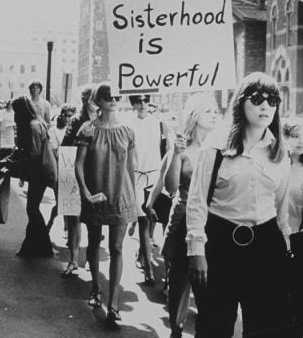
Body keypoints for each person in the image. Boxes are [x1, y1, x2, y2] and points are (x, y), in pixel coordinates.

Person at [186, 72, 294, 337]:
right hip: (222, 243)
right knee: (215, 324)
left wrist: (285, 246)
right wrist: (196, 250)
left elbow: (281, 208)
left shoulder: (279, 150)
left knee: (265, 326)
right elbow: (197, 200)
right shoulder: (216, 146)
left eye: (272, 100)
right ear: (240, 103)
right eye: (257, 99)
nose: (265, 106)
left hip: (266, 244)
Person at [152, 93, 219, 338]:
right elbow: (171, 186)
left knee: (210, 280)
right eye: (207, 110)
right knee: (180, 279)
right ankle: (176, 328)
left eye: (215, 110)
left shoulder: (219, 147)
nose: (214, 114)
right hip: (184, 219)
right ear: (194, 115)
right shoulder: (181, 147)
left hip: (214, 220)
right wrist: (176, 154)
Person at [74, 83, 138, 325]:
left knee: (118, 247)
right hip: (96, 196)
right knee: (93, 243)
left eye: (116, 96)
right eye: (106, 96)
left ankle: (113, 303)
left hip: (121, 197)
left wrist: (136, 204)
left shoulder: (128, 132)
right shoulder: (88, 130)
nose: (112, 99)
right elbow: (78, 165)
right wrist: (86, 193)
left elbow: (131, 169)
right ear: (97, 101)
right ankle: (95, 288)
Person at [127, 94, 169, 285]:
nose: (142, 104)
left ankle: (146, 254)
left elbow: (168, 151)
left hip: (155, 176)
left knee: (154, 219)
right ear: (133, 104)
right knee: (143, 220)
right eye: (138, 101)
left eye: (145, 100)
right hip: (136, 177)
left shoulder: (159, 124)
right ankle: (148, 269)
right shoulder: (129, 126)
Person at [58, 87, 97, 278]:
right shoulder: (76, 121)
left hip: (94, 173)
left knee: (93, 220)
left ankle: (91, 258)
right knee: (73, 218)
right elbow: (65, 149)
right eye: (89, 97)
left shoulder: (101, 119)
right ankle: (73, 259)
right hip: (72, 171)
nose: (91, 101)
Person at [12, 96, 57, 257]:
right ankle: (32, 246)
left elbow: (33, 153)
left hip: (40, 171)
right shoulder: (37, 123)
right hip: (42, 170)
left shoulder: (32, 126)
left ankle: (43, 245)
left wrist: (16, 162)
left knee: (32, 208)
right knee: (33, 208)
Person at [46, 104, 76, 232]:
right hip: (59, 169)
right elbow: (54, 152)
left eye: (71, 116)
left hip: (73, 169)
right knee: (61, 203)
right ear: (61, 115)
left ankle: (67, 229)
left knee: (71, 202)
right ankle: (49, 224)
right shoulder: (54, 130)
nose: (69, 119)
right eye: (67, 116)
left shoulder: (75, 128)